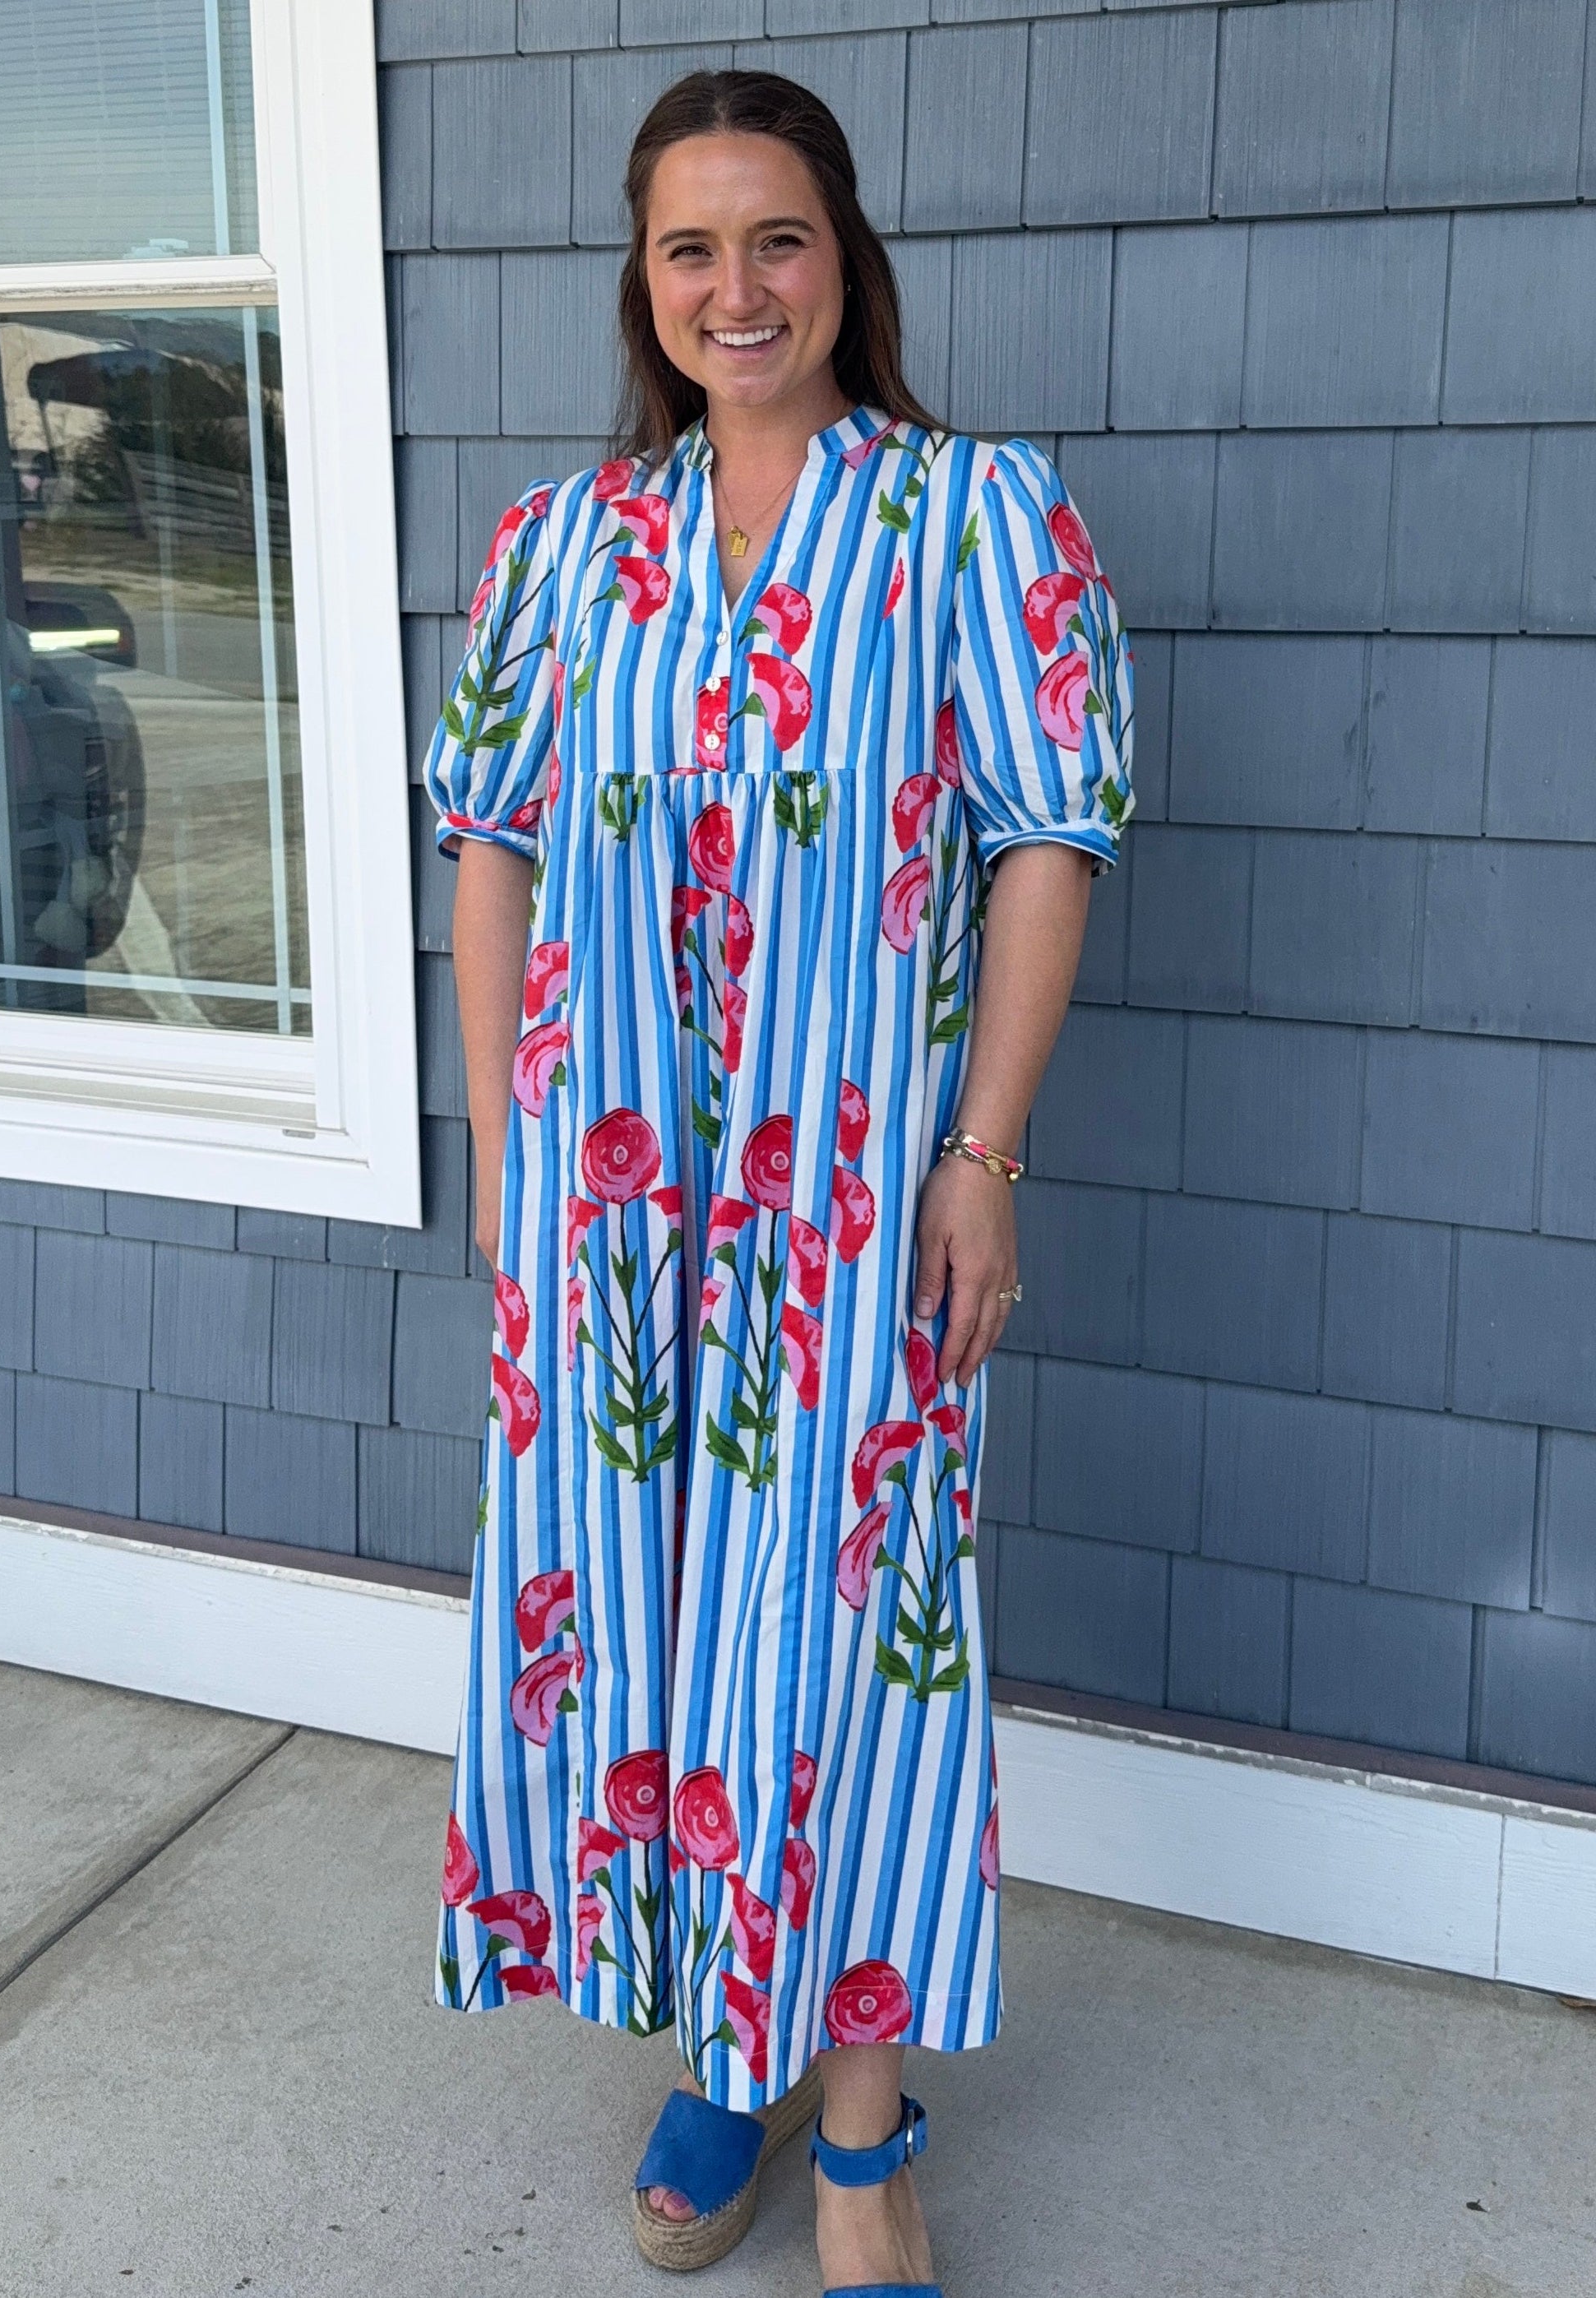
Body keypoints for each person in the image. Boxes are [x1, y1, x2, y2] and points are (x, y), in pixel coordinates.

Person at [423, 67, 1133, 2298]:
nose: (740, 287)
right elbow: (492, 851)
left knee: (855, 1653)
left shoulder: (976, 517)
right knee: (648, 1627)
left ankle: (859, 2135)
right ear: (645, 286)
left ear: (849, 258)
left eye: (780, 237)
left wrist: (983, 1155)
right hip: (612, 1218)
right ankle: (722, 2045)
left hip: (857, 1211)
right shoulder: (566, 547)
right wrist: (507, 1159)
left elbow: (1043, 838)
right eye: (690, 248)